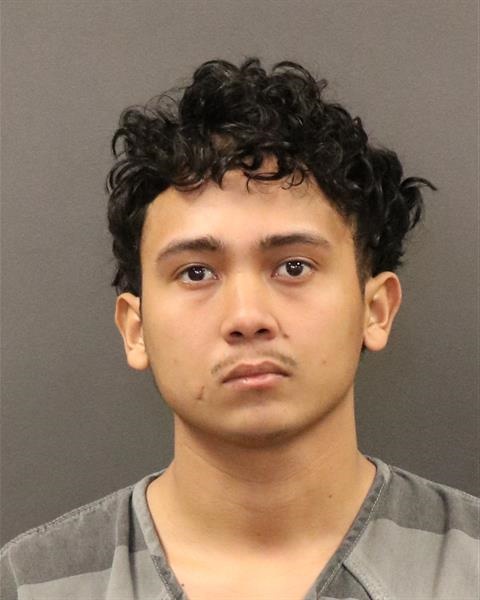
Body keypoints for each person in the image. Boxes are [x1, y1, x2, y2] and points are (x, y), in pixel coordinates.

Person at [1, 57, 478, 600]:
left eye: (293, 267)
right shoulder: (29, 585)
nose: (247, 317)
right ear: (136, 329)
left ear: (376, 309)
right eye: (196, 273)